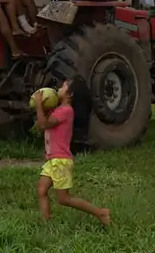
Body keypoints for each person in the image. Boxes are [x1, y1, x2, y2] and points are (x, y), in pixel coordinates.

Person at [34, 81, 110, 225]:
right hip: (53, 160)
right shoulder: (57, 110)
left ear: (70, 94)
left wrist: (38, 104)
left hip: (61, 161)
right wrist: (42, 110)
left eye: (63, 87)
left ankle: (101, 213)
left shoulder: (66, 111)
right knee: (41, 189)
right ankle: (46, 222)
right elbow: (40, 126)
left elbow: (44, 125)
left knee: (64, 199)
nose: (59, 88)